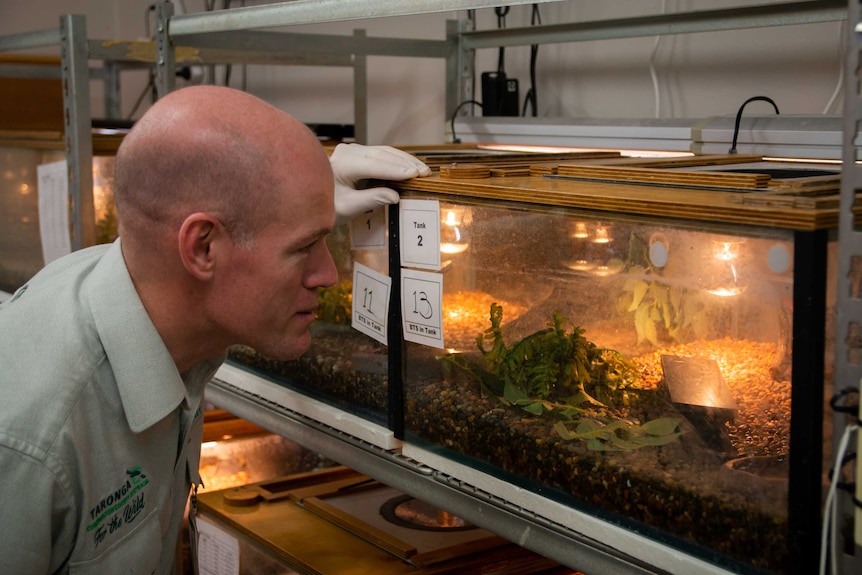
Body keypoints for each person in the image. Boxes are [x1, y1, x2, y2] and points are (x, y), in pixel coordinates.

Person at [0, 85, 431, 573]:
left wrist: (307, 194)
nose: (328, 275)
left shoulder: (156, 293)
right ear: (203, 248)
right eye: (304, 247)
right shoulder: (30, 445)